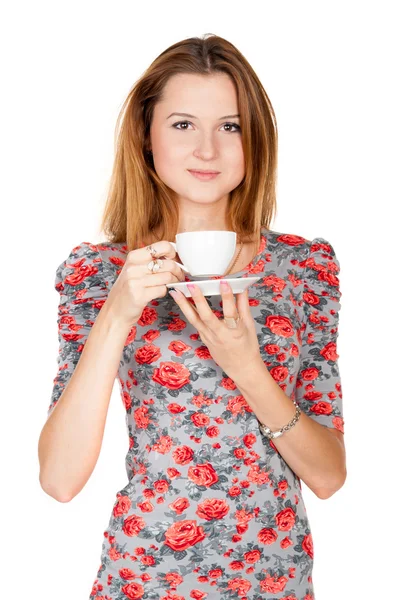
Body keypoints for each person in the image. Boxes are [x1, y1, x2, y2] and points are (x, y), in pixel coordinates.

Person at [38, 33, 346, 600]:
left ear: (255, 141)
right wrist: (117, 313)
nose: (208, 149)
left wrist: (247, 368)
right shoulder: (99, 273)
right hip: (147, 577)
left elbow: (328, 476)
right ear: (146, 138)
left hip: (275, 583)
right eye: (183, 125)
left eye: (230, 127)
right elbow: (59, 480)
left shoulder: (304, 266)